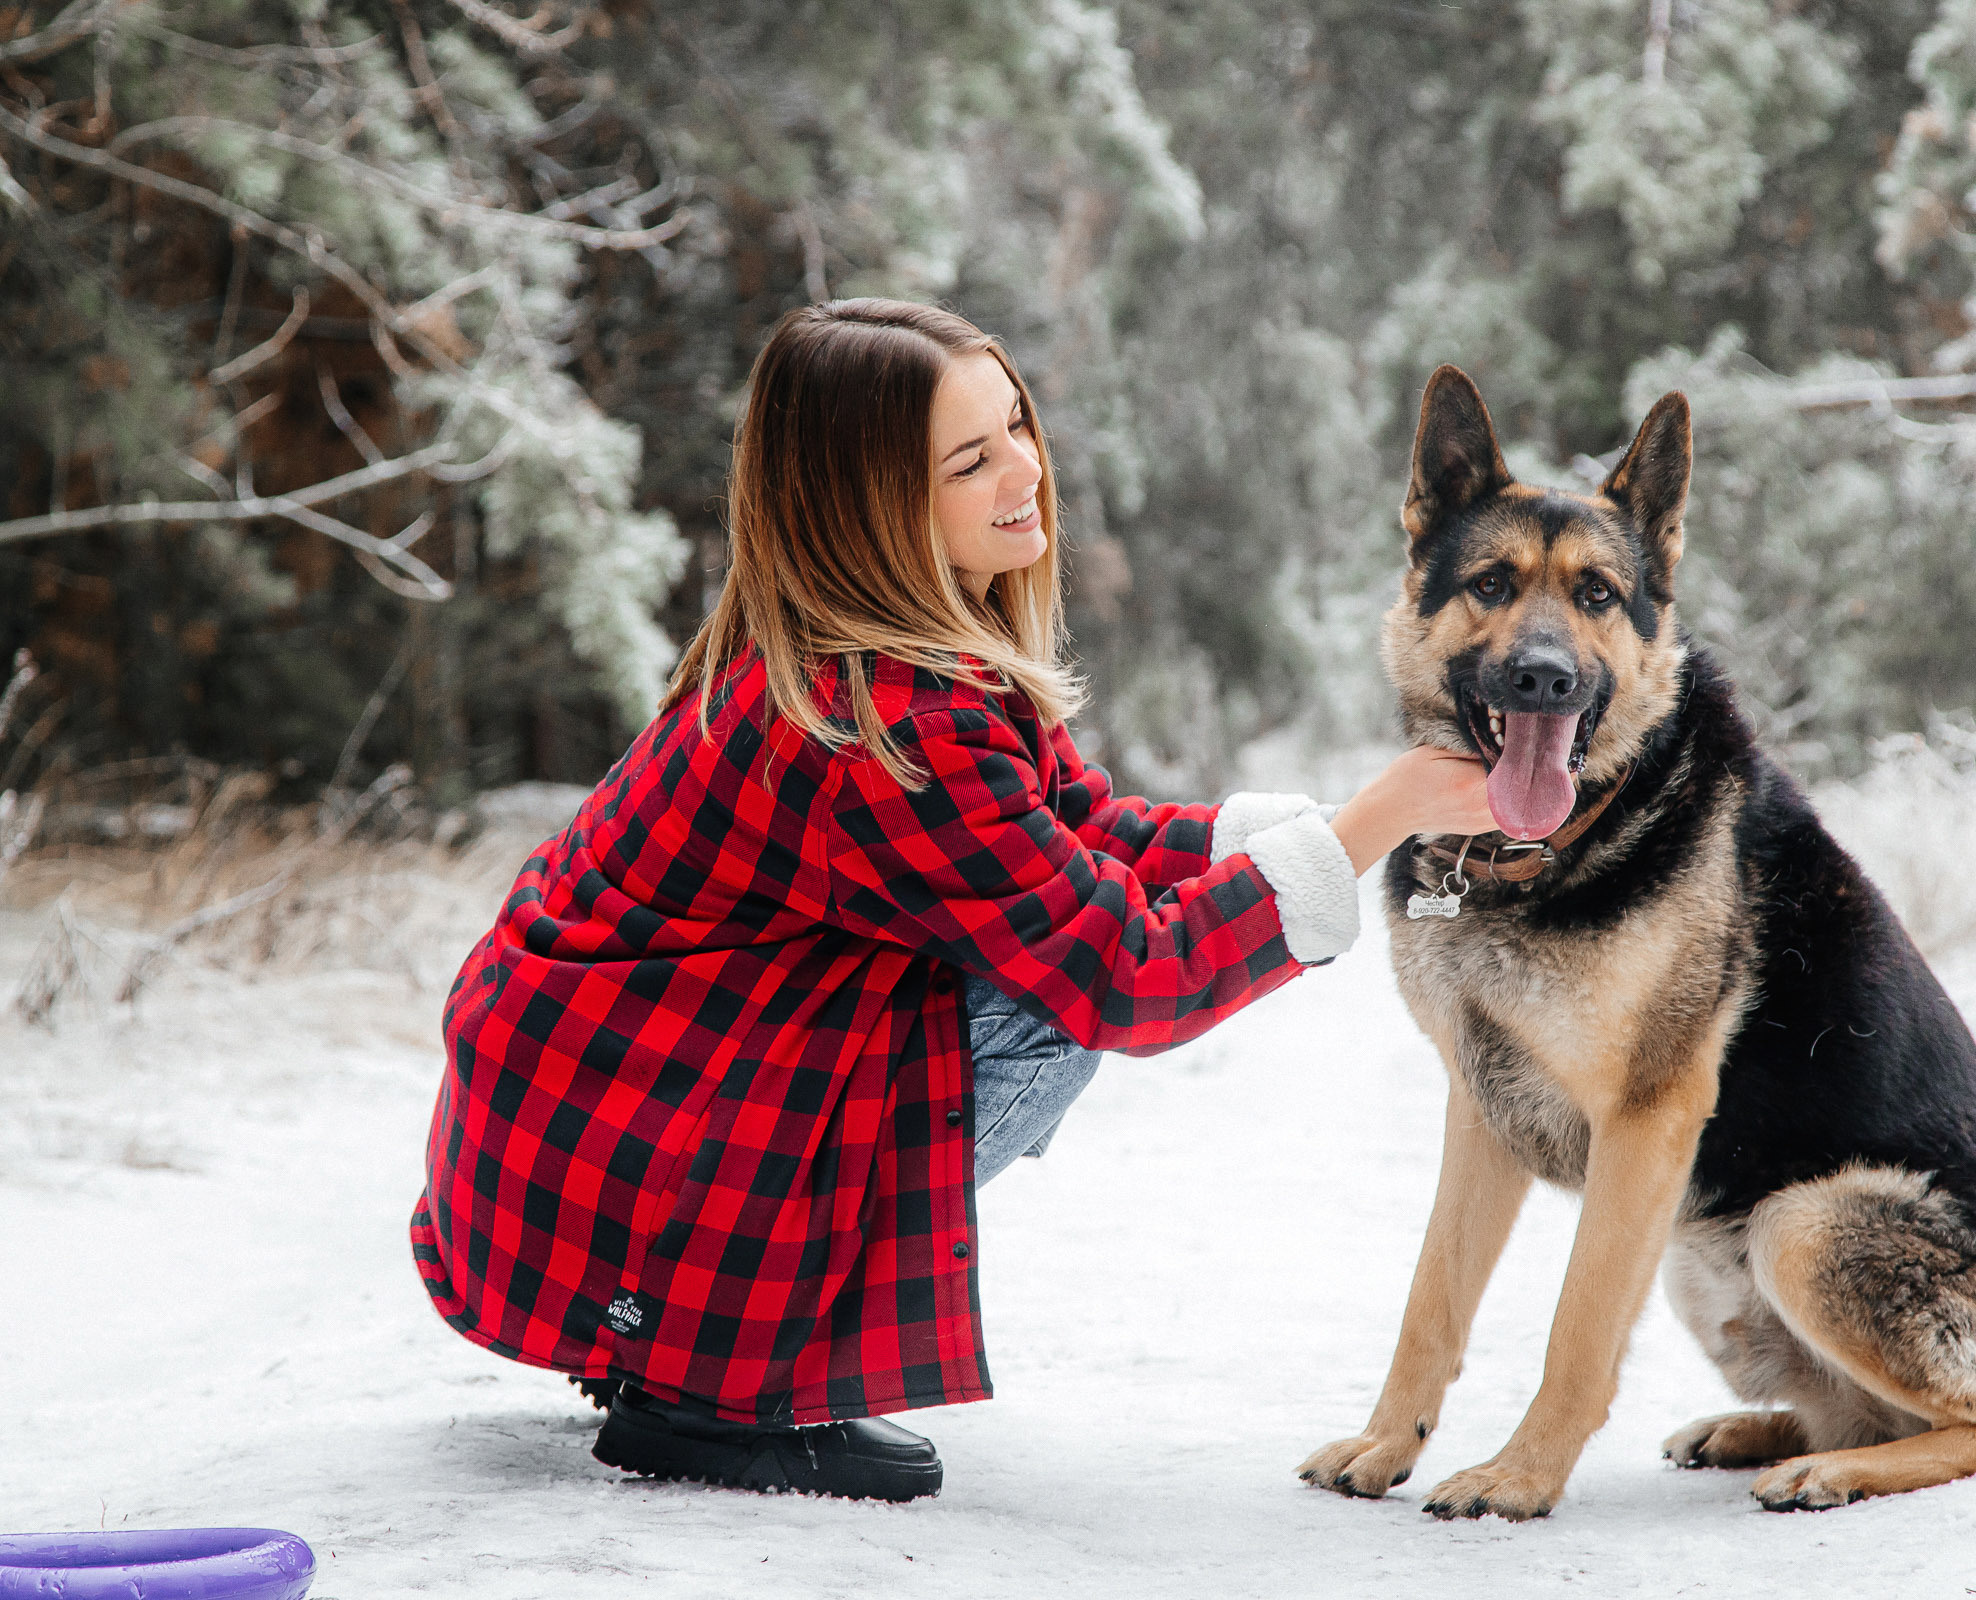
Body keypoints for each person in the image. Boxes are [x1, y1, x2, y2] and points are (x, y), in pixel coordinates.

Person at [408, 299, 1494, 1502]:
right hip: (598, 1166)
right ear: (869, 505)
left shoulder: (887, 654)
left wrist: (1319, 825)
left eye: (1016, 423)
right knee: (1051, 1014)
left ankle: (672, 1344)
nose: (1025, 467)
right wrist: (1372, 827)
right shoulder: (884, 723)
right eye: (971, 459)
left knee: (1028, 963)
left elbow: (1075, 837)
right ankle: (707, 1392)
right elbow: (1129, 975)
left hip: (571, 1147)